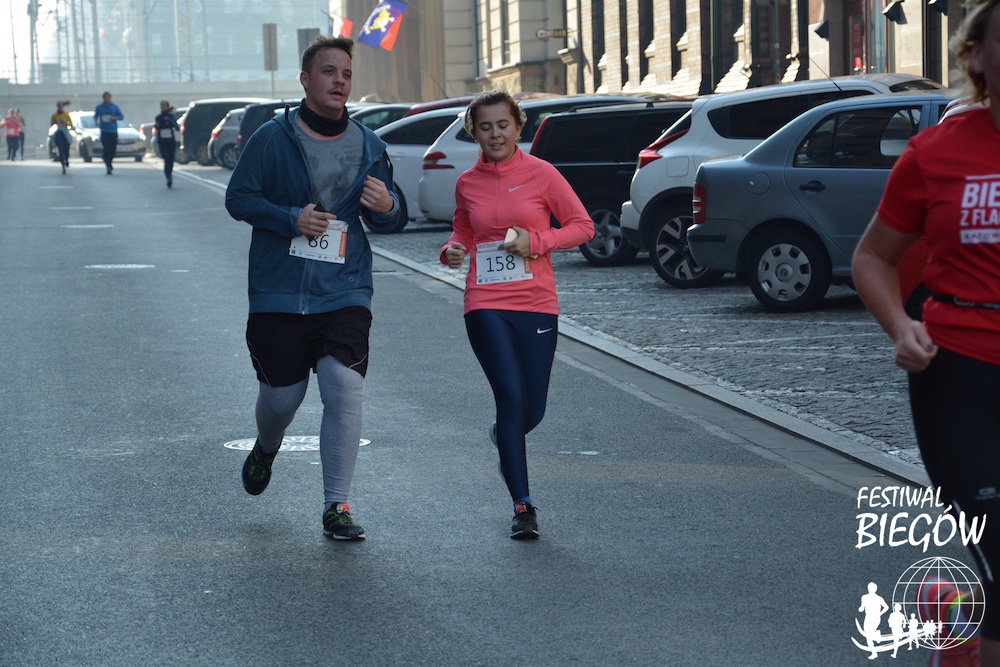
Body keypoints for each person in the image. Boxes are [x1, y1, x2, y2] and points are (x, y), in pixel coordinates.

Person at [852, 0, 1000, 664]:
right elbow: (873, 257)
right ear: (977, 57)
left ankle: (957, 626)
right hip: (959, 368)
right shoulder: (937, 150)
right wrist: (899, 326)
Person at [225, 35, 401, 541]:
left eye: (346, 74)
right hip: (278, 291)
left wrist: (387, 206)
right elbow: (238, 199)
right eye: (328, 72)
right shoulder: (271, 138)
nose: (339, 81)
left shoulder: (370, 146)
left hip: (345, 288)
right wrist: (290, 219)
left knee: (343, 386)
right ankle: (267, 445)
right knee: (282, 400)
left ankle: (336, 505)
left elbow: (389, 217)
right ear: (305, 79)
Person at [440, 90, 595, 540]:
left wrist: (537, 241)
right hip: (485, 301)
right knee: (509, 396)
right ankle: (523, 506)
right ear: (474, 133)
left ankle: (505, 437)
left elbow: (583, 226)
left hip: (536, 302)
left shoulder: (542, 174)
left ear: (518, 127)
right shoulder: (467, 182)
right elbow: (463, 229)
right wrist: (452, 250)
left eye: (502, 125)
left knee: (532, 410)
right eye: (485, 127)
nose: (495, 134)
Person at [94, 91, 123, 174]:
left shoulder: (114, 107)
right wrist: (96, 121)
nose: (106, 99)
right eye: (104, 97)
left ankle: (109, 162)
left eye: (107, 97)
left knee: (112, 149)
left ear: (110, 98)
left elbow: (121, 116)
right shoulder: (99, 107)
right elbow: (96, 116)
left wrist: (114, 118)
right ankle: (108, 165)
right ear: (103, 98)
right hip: (104, 131)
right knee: (106, 148)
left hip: (113, 131)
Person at [154, 101, 180, 188]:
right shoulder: (158, 117)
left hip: (171, 141)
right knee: (166, 159)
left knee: (171, 160)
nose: (163, 107)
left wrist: (169, 120)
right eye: (162, 106)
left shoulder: (171, 116)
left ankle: (170, 174)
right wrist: (157, 125)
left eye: (165, 106)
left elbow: (177, 127)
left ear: (168, 107)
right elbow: (156, 128)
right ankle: (168, 177)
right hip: (162, 142)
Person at [50, 100, 73, 174]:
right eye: (59, 106)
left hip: (65, 132)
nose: (60, 107)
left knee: (67, 146)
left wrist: (65, 122)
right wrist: (56, 122)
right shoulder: (54, 115)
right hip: (58, 132)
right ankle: (63, 165)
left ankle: (67, 158)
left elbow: (70, 124)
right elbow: (52, 123)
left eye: (61, 106)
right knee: (60, 149)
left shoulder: (66, 114)